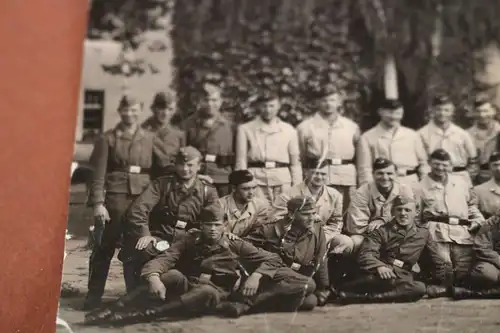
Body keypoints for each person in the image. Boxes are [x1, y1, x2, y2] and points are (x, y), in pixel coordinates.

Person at [84, 205, 285, 326]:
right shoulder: (191, 238)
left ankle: (143, 315)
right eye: (208, 225)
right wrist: (154, 277)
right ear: (201, 225)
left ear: (225, 225)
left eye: (217, 225)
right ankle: (115, 307)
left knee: (206, 290)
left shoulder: (235, 244)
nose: (213, 230)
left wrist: (257, 276)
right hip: (189, 286)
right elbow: (166, 258)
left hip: (215, 294)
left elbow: (273, 259)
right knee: (172, 274)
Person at [84, 94, 162, 310]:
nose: (130, 114)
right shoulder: (108, 138)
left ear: (141, 110)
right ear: (120, 111)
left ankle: (134, 297)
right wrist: (98, 203)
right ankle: (93, 296)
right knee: (103, 248)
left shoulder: (150, 138)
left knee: (138, 248)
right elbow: (97, 174)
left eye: (135, 109)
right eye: (126, 110)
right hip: (115, 200)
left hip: (142, 200)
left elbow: (160, 170)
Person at [118, 146, 219, 291]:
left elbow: (215, 219)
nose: (185, 169)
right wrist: (145, 234)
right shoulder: (162, 184)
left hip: (189, 241)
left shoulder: (207, 191)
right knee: (141, 247)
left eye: (190, 165)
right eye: (180, 164)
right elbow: (138, 210)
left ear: (199, 166)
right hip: (162, 237)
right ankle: (136, 294)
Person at [416, 148, 484, 298]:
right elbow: (416, 216)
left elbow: (471, 205)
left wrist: (478, 220)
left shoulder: (461, 182)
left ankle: (457, 291)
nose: (440, 168)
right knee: (444, 268)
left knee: (463, 271)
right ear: (429, 163)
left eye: (444, 165)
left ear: (450, 165)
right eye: (436, 164)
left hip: (462, 231)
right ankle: (439, 288)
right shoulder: (419, 187)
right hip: (435, 232)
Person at [337, 194, 428, 304]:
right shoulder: (381, 231)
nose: (403, 213)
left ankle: (362, 298)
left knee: (419, 288)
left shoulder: (424, 234)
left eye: (407, 210)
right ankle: (352, 294)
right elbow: (366, 253)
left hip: (402, 276)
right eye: (399, 210)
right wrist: (379, 266)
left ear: (416, 213)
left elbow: (433, 260)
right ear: (392, 212)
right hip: (378, 275)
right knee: (371, 280)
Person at [244, 196, 331, 309]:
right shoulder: (272, 229)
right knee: (308, 285)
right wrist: (255, 275)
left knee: (311, 301)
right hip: (273, 275)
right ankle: (249, 303)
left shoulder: (317, 227)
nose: (311, 218)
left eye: (313, 213)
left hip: (295, 278)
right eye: (306, 214)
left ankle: (261, 302)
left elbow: (321, 257)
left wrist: (323, 287)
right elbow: (244, 247)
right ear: (291, 214)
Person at [296, 84, 360, 217]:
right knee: (317, 213)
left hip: (345, 178)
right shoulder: (305, 127)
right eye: (324, 100)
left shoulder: (351, 127)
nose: (328, 104)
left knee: (345, 214)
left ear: (339, 102)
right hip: (317, 177)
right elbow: (301, 157)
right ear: (317, 102)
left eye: (332, 100)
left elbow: (359, 157)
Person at [271, 159, 353, 254]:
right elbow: (278, 221)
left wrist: (322, 238)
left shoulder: (335, 195)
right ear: (306, 172)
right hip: (296, 238)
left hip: (324, 236)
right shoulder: (288, 195)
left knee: (345, 242)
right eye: (315, 173)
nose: (319, 177)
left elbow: (336, 223)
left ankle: (329, 265)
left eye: (323, 174)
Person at [235, 91, 302, 203]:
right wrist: (242, 183)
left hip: (282, 181)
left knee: (282, 214)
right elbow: (241, 160)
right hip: (256, 180)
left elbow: (295, 163)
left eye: (272, 106)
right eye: (264, 106)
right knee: (257, 214)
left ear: (278, 106)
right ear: (258, 107)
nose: (268, 110)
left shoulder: (289, 130)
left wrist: (297, 185)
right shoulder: (246, 129)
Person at [345, 158, 417, 253]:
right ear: (373, 174)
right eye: (380, 173)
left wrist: (384, 220)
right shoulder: (362, 193)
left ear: (396, 174)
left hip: (397, 232)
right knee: (356, 241)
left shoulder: (404, 190)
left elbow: (411, 217)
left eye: (389, 173)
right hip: (368, 235)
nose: (385, 177)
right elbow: (356, 227)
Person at [357, 98, 429, 189]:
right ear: (380, 112)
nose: (394, 117)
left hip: (410, 182)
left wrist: (426, 187)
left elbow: (423, 164)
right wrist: (369, 191)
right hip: (382, 184)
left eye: (398, 113)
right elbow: (364, 169)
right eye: (389, 113)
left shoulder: (412, 135)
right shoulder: (367, 137)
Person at [182, 83, 235, 197]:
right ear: (199, 101)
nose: (210, 104)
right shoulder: (188, 125)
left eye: (214, 100)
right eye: (206, 100)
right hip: (196, 178)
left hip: (223, 180)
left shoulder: (231, 126)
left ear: (220, 101)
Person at [418, 94, 478, 187]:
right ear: (432, 110)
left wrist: (467, 176)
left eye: (446, 110)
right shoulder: (422, 133)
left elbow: (473, 159)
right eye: (438, 109)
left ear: (452, 111)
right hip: (433, 177)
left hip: (459, 176)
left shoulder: (462, 133)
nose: (442, 113)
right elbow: (422, 160)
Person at [452, 211, 500, 299]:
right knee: (486, 274)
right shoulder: (491, 223)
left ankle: (472, 293)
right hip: (493, 263)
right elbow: (482, 247)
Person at [215, 170, 270, 238]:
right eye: (246, 189)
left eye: (254, 188)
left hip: (248, 244)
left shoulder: (260, 206)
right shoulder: (219, 205)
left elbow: (258, 233)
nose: (251, 192)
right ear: (234, 188)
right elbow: (214, 230)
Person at [474, 100, 500, 184]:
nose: (482, 115)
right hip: (477, 180)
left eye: (486, 111)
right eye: (478, 111)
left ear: (494, 111)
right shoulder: (467, 134)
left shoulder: (498, 131)